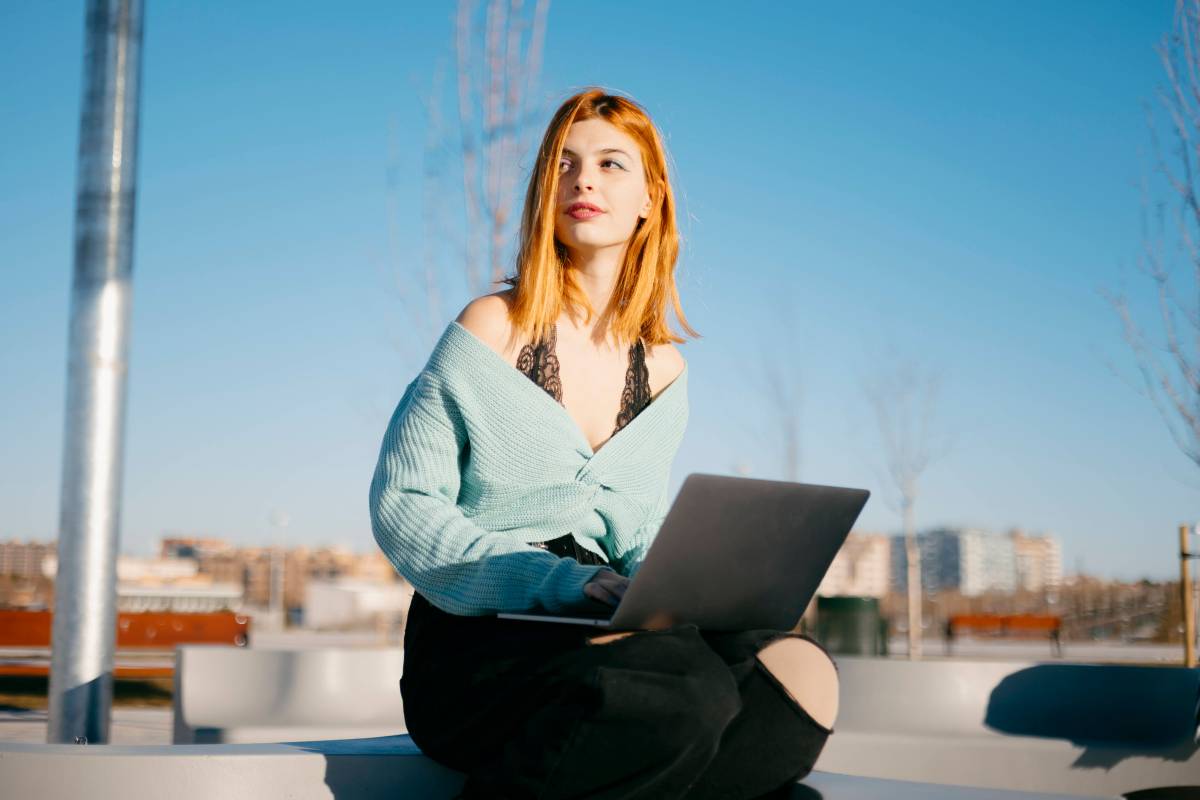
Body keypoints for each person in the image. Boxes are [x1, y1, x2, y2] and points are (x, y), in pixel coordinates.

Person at [369, 87, 840, 800]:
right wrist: (560, 583)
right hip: (486, 636)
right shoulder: (490, 328)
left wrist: (685, 588)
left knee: (792, 685)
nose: (583, 180)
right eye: (564, 164)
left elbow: (639, 531)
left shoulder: (666, 369)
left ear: (651, 198)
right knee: (681, 696)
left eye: (611, 164)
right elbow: (405, 508)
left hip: (616, 628)